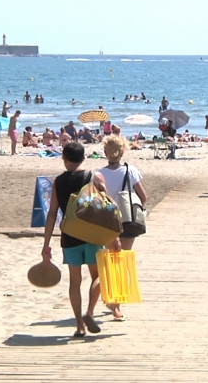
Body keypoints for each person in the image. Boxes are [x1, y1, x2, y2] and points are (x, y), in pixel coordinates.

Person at [41, 142, 118, 337]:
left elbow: (51, 214)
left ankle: (79, 326)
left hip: (70, 236)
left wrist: (46, 243)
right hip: (93, 234)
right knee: (98, 276)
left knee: (74, 282)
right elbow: (107, 208)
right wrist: (113, 236)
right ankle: (90, 312)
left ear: (64, 159)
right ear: (84, 158)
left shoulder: (58, 182)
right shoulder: (94, 177)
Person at [98, 136, 148, 320]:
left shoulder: (99, 173)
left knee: (111, 259)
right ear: (123, 151)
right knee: (122, 259)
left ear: (105, 152)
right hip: (127, 220)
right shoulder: (131, 171)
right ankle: (116, 304)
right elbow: (143, 196)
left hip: (107, 221)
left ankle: (112, 298)